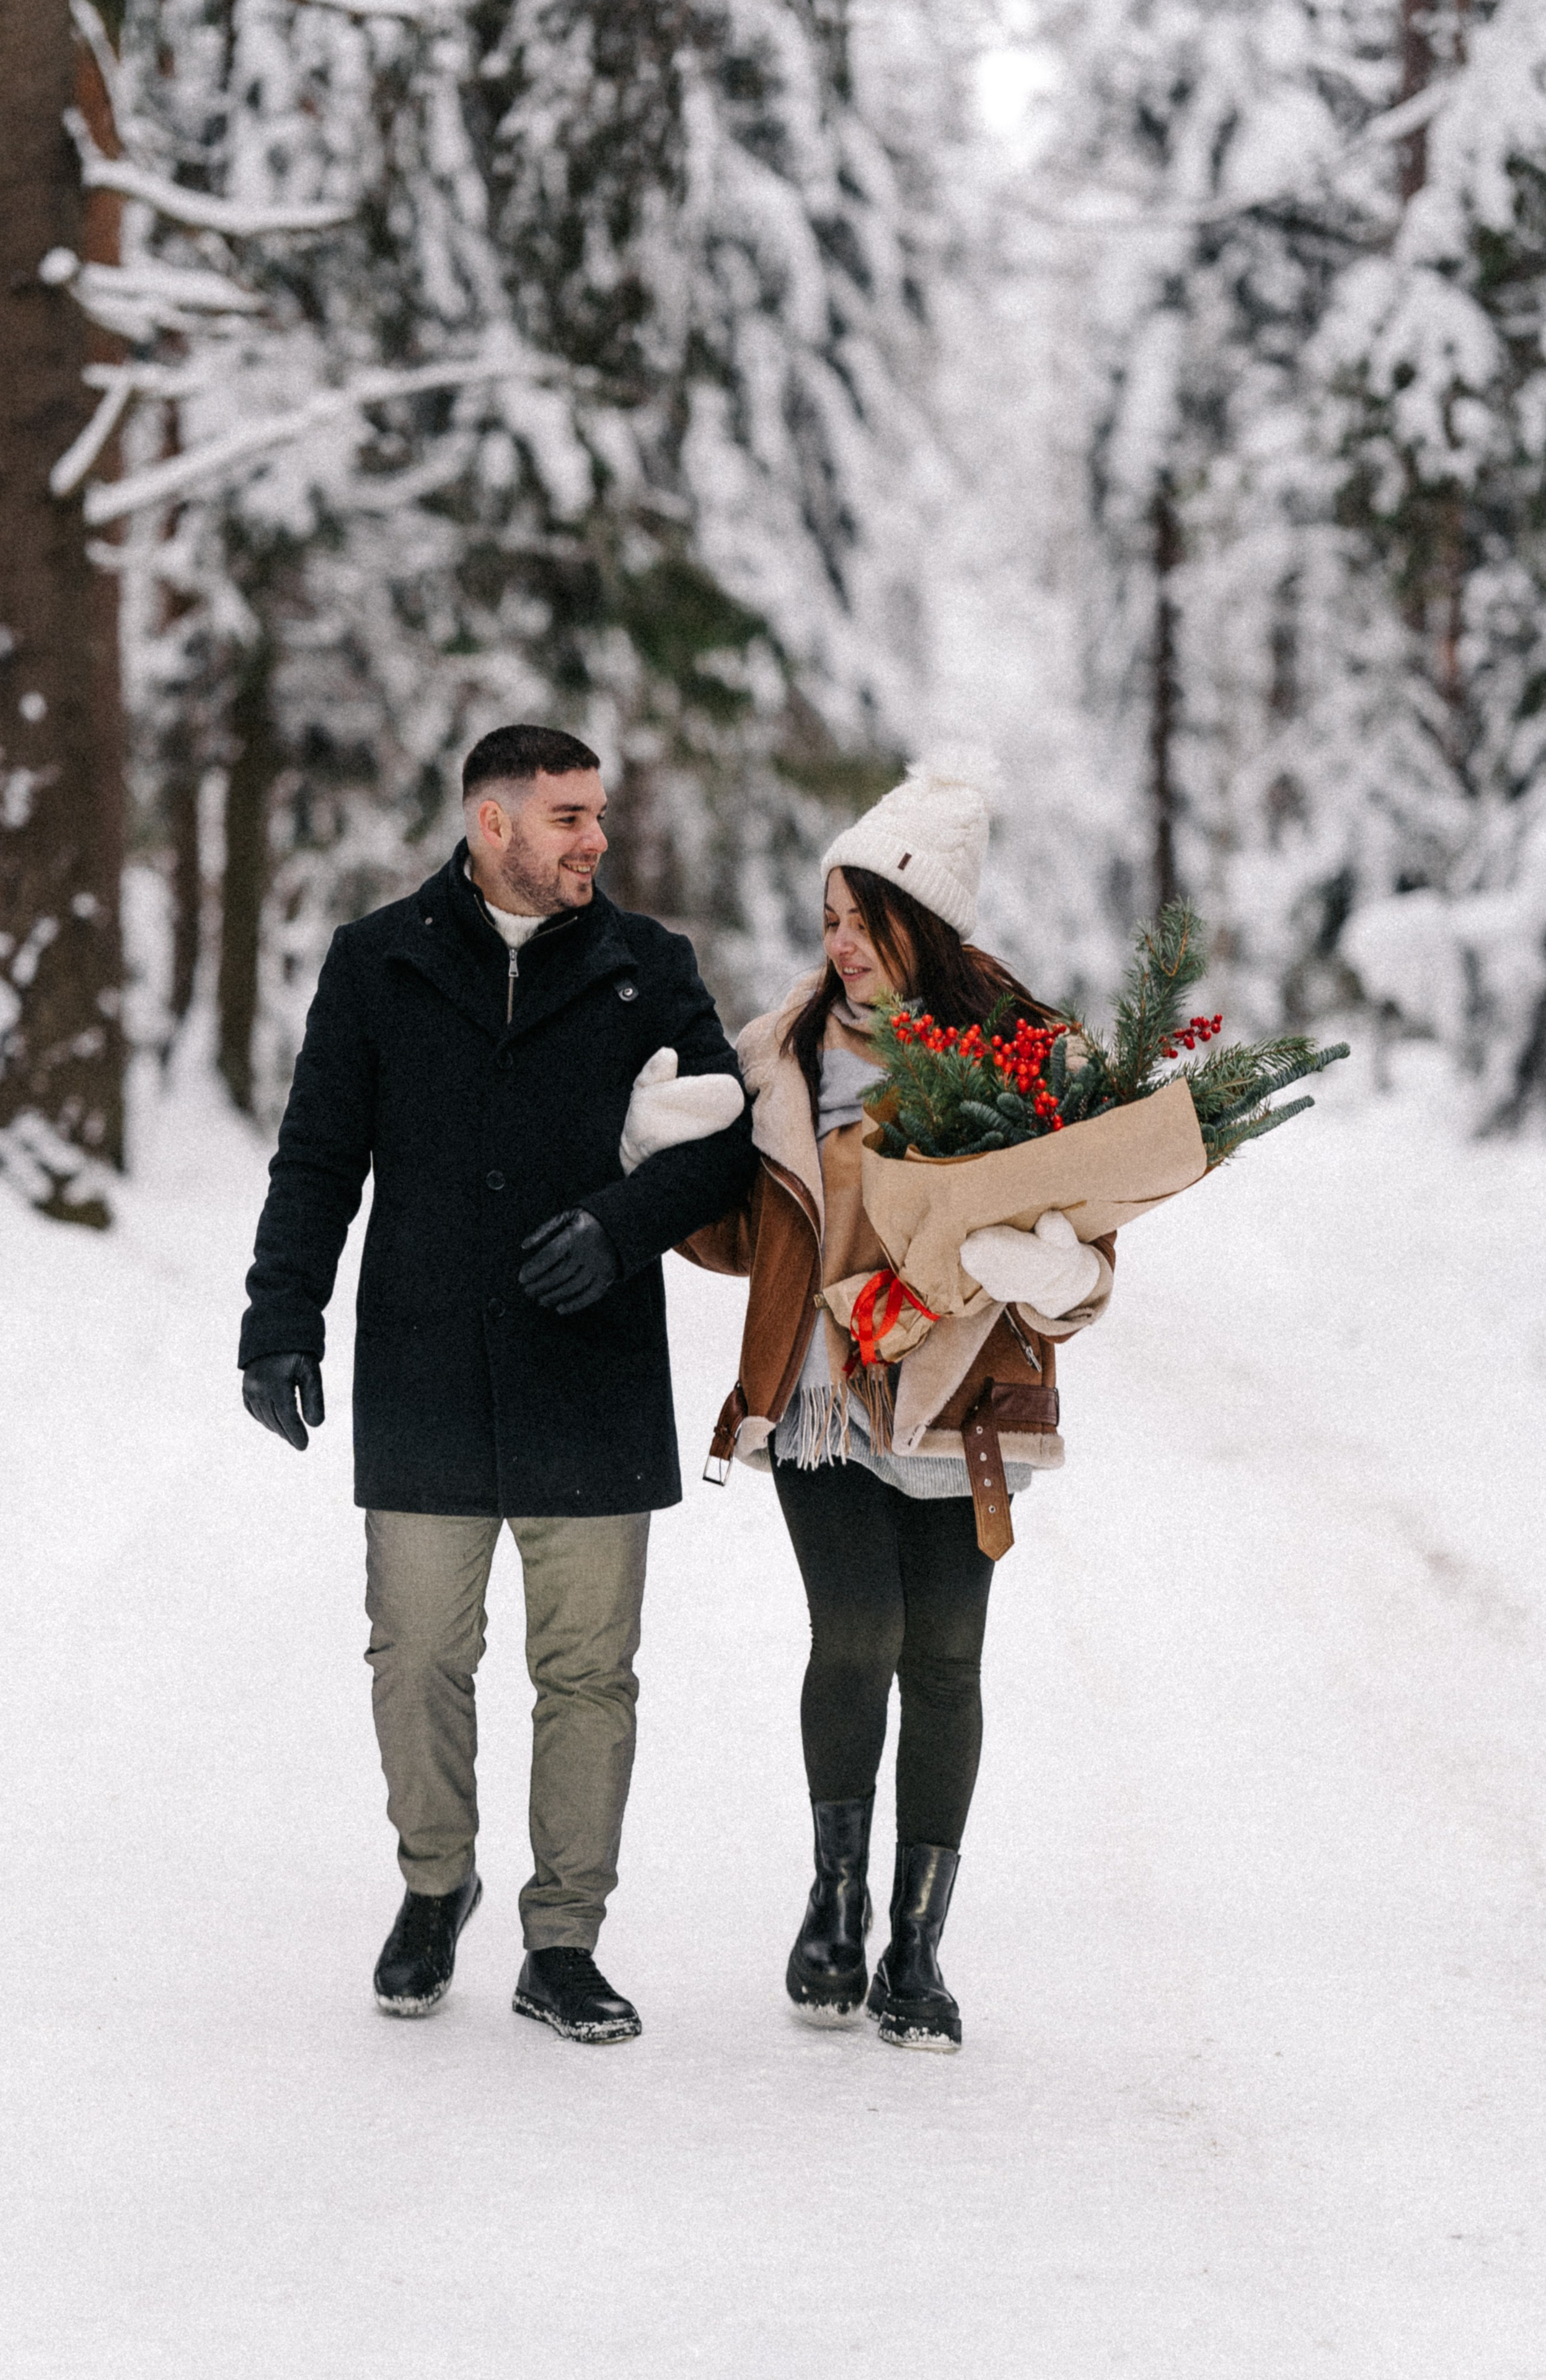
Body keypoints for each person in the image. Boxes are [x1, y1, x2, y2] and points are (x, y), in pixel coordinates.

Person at [239, 723, 754, 2042]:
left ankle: (563, 1939)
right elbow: (315, 1158)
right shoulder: (378, 963)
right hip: (424, 1366)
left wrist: (618, 1228)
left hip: (588, 1372)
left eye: (597, 815)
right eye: (568, 817)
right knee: (416, 1651)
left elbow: (724, 1144)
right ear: (492, 824)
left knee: (588, 1670)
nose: (594, 839)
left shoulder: (650, 969)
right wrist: (278, 1319)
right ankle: (433, 1883)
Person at [683, 759, 1115, 2052]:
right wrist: (665, 1156)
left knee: (944, 1660)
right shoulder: (786, 1051)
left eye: (863, 927)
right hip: (822, 1391)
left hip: (964, 1396)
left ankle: (914, 1947)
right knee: (857, 1631)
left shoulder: (1028, 1056)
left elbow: (1088, 1256)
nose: (842, 950)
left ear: (921, 925)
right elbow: (733, 1236)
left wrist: (1049, 1271)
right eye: (829, 924)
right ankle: (832, 1903)